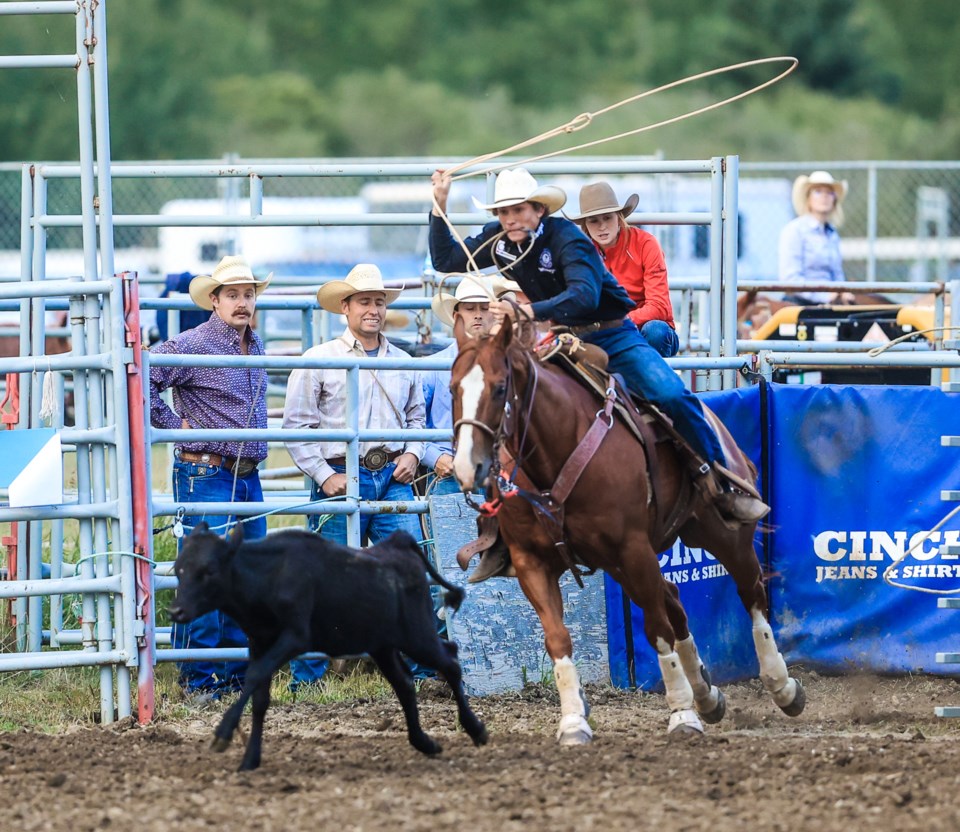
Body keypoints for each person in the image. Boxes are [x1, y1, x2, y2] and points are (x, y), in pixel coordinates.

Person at [429, 166, 768, 527]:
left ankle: (721, 484)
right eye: (503, 212)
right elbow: (446, 261)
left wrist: (528, 310)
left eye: (518, 210)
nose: (510, 219)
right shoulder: (499, 240)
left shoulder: (567, 240)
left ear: (539, 209)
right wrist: (440, 205)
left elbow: (585, 296)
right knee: (514, 400)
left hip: (612, 334)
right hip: (562, 336)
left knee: (671, 395)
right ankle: (509, 519)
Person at [282, 263, 426, 685]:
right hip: (340, 476)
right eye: (364, 301)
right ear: (345, 307)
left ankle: (414, 669)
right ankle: (307, 676)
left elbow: (416, 418)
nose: (373, 310)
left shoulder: (403, 360)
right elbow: (296, 426)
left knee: (406, 573)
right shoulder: (319, 359)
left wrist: (414, 455)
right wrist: (325, 475)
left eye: (379, 302)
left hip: (392, 475)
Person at [148, 254, 271, 699]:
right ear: (214, 301)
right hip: (207, 471)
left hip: (245, 474)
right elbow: (144, 374)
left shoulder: (252, 343)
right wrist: (173, 425)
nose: (242, 303)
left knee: (244, 574)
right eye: (233, 295)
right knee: (205, 572)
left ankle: (235, 672)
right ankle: (198, 677)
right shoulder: (194, 343)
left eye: (248, 294)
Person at [421, 275, 519, 497]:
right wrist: (435, 457)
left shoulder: (510, 364)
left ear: (496, 316)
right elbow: (413, 421)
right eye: (470, 308)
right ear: (457, 316)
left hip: (499, 469)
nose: (477, 315)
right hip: (448, 469)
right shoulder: (433, 366)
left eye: (485, 308)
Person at [567, 181, 679, 358]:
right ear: (585, 225)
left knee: (656, 331)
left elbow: (659, 307)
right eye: (594, 220)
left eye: (607, 218)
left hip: (643, 330)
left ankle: (648, 383)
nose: (602, 226)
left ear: (619, 217)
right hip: (605, 331)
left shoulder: (645, 244)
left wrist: (618, 322)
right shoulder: (582, 254)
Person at [778, 170, 849, 305]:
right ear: (808, 198)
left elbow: (837, 274)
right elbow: (790, 279)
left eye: (829, 192)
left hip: (830, 303)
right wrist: (824, 296)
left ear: (834, 200)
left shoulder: (832, 234)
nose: (824, 197)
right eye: (818, 191)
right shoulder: (795, 231)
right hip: (801, 303)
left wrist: (843, 291)